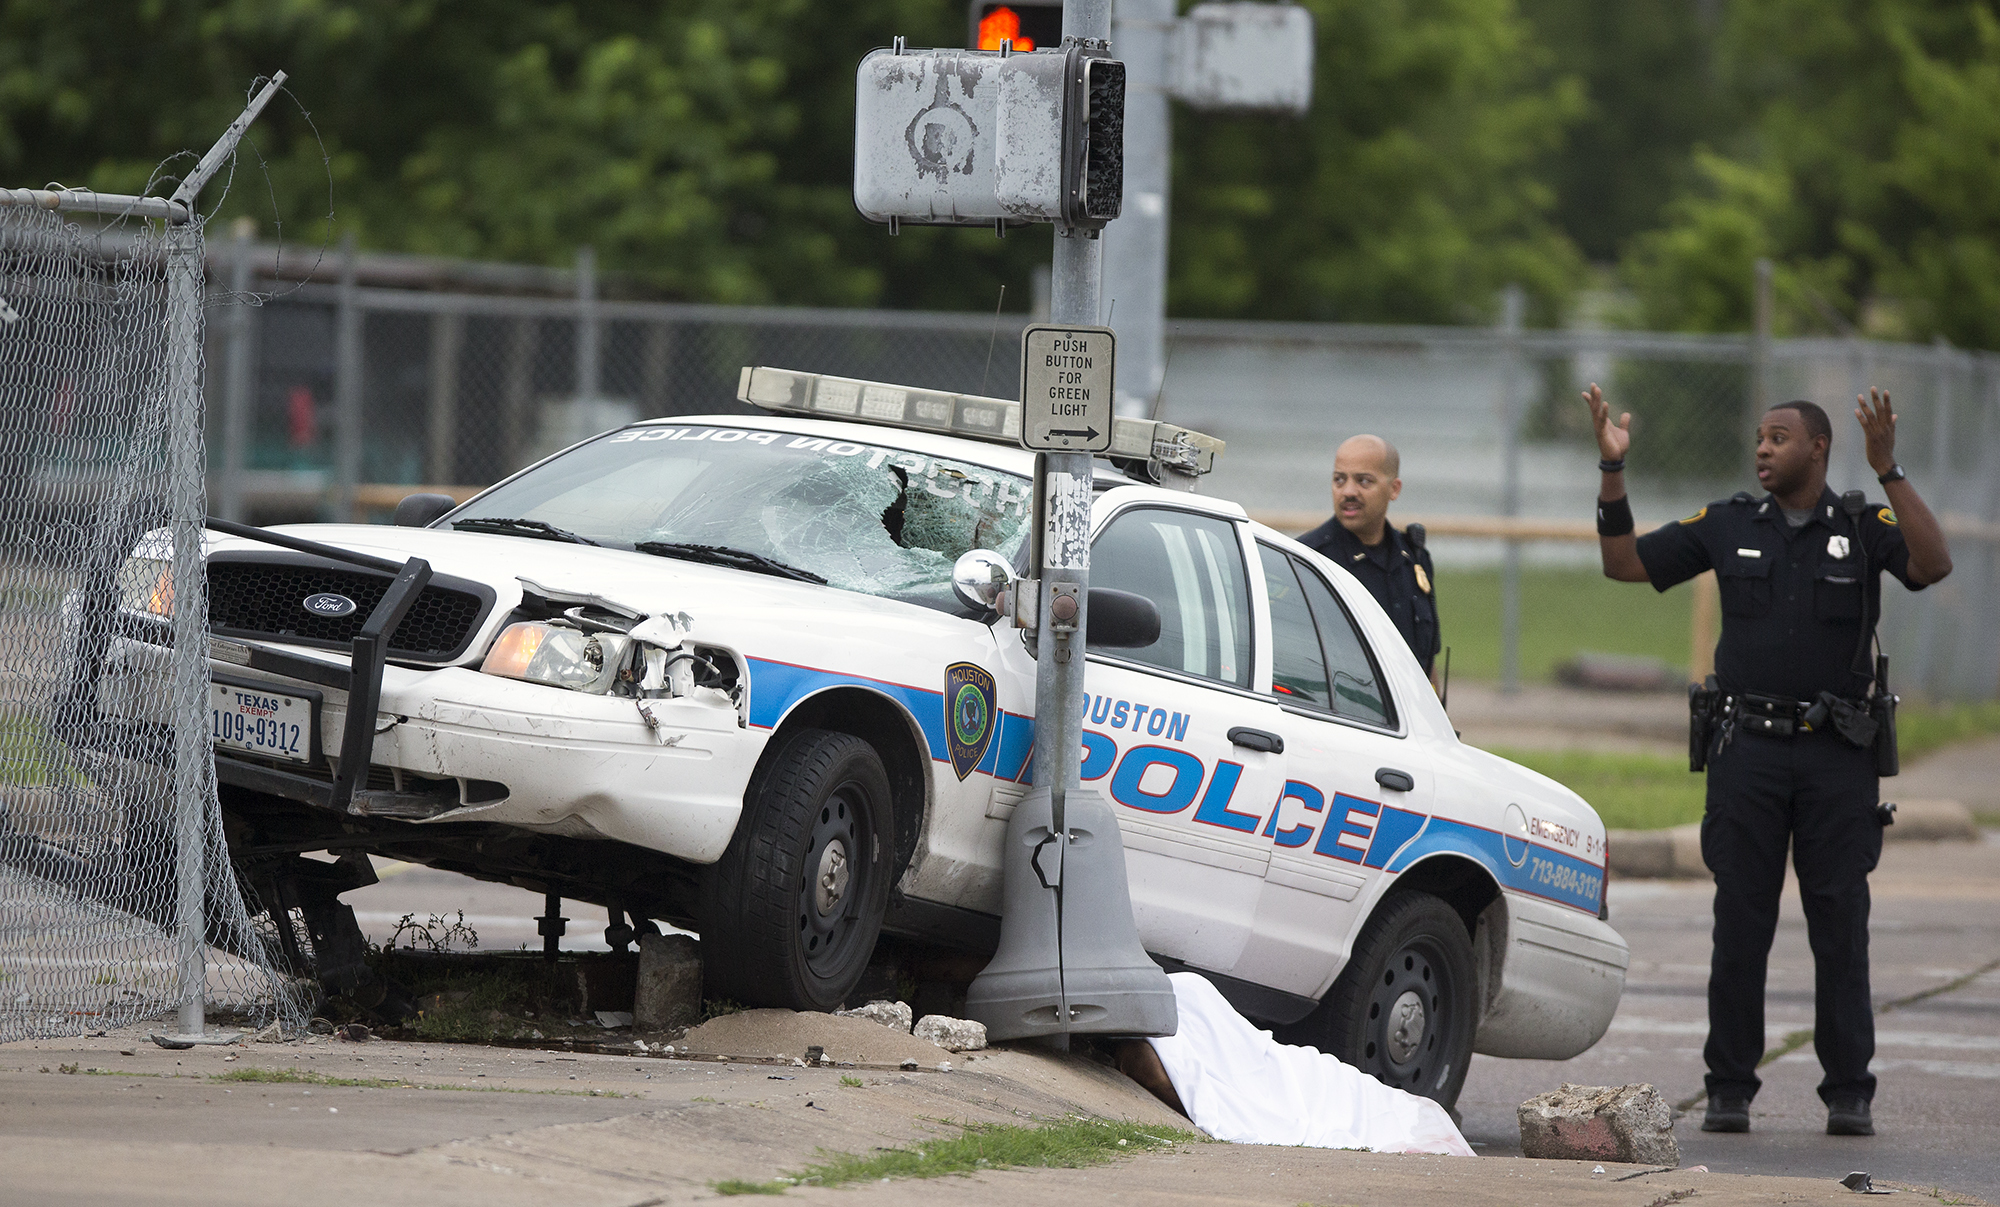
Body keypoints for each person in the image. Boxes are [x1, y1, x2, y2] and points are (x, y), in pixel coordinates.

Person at [1584, 383, 1952, 1138]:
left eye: (1778, 437)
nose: (1762, 447)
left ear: (1817, 449)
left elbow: (1933, 562)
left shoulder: (1861, 522)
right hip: (1746, 750)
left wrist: (1890, 470)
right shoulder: (1726, 525)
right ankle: (1729, 1088)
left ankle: (1849, 1089)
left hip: (1837, 756)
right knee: (1740, 924)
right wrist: (1611, 470)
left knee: (1840, 927)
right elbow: (1622, 563)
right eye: (1758, 436)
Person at [1299, 435, 1441, 685]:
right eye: (1339, 480)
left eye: (1364, 481)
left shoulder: (1414, 559)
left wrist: (1440, 720)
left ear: (1394, 489)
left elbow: (1428, 662)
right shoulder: (1310, 560)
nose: (1348, 492)